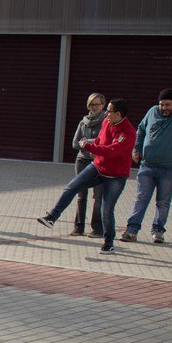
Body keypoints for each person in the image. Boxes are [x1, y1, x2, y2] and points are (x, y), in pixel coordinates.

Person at [37, 98, 136, 255]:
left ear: (118, 114)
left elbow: (111, 151)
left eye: (109, 111)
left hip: (115, 176)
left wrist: (89, 146)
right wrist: (93, 146)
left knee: (106, 209)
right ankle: (52, 217)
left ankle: (108, 242)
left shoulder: (128, 132)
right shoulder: (106, 122)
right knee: (72, 186)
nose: (106, 114)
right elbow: (99, 140)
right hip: (97, 167)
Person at [120, 88, 172, 244]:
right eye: (161, 104)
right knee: (141, 199)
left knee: (163, 202)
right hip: (147, 166)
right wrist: (137, 148)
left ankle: (158, 231)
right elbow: (140, 129)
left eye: (168, 104)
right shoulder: (153, 111)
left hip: (169, 168)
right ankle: (132, 231)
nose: (164, 108)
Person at [69, 93, 106, 237]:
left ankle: (97, 228)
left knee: (98, 196)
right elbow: (74, 143)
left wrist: (86, 141)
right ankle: (78, 227)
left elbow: (103, 142)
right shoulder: (83, 122)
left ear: (103, 105)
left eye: (97, 104)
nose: (94, 107)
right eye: (91, 104)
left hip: (98, 162)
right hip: (82, 160)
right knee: (80, 195)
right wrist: (92, 143)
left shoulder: (106, 122)